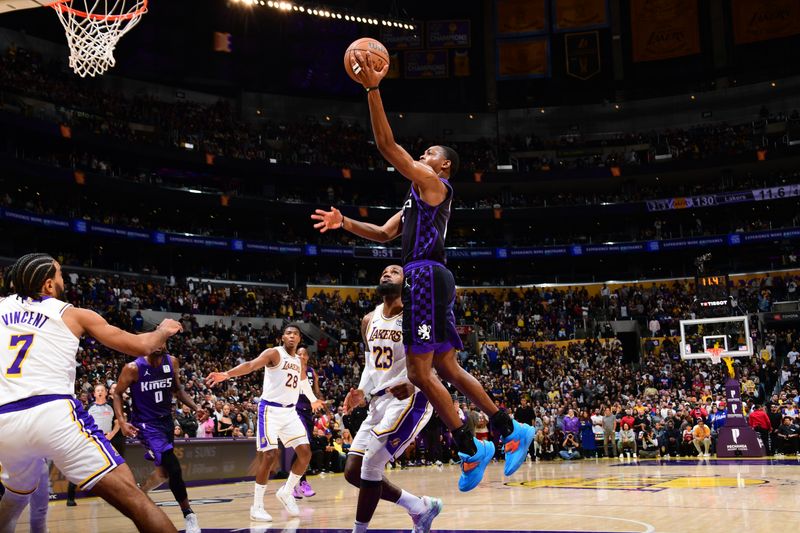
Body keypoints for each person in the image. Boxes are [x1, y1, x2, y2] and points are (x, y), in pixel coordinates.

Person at [311, 51, 534, 492]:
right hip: (431, 275)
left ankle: (472, 447)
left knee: (419, 373)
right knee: (448, 367)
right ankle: (510, 429)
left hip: (426, 275)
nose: (422, 153)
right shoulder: (414, 199)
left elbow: (387, 147)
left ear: (444, 165)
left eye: (429, 152)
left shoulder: (434, 184)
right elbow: (381, 234)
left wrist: (373, 89)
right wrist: (345, 223)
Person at [0, 253, 182, 533]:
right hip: (52, 412)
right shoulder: (72, 313)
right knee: (135, 499)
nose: (64, 280)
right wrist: (163, 330)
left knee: (14, 499)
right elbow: (139, 345)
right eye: (60, 275)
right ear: (49, 285)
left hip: (5, 422)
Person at [342, 265, 441, 533]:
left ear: (405, 283)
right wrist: (361, 391)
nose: (387, 274)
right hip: (378, 401)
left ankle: (359, 531)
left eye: (395, 272)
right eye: (384, 271)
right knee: (353, 471)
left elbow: (435, 360)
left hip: (410, 398)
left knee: (371, 465)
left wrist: (413, 382)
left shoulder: (414, 318)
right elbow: (370, 363)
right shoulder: (368, 320)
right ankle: (420, 507)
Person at [205, 324, 324, 522]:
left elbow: (303, 381)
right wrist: (226, 374)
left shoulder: (298, 360)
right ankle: (257, 506)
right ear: (282, 337)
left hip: (290, 412)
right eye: (288, 333)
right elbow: (251, 365)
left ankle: (286, 492)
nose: (292, 336)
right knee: (269, 455)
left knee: (305, 453)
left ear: (300, 339)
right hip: (270, 410)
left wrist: (312, 400)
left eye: (295, 334)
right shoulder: (274, 354)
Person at [112, 345, 201, 533]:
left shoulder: (172, 361)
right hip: (146, 425)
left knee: (163, 474)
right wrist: (121, 421)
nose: (161, 345)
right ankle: (189, 515)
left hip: (166, 421)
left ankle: (140, 494)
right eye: (157, 340)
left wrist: (195, 407)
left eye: (164, 341)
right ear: (147, 342)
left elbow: (177, 390)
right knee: (174, 468)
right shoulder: (133, 368)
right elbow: (117, 393)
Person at [67, 383, 118, 506]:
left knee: (113, 467)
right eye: (97, 391)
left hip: (107, 440)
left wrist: (111, 434)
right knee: (81, 466)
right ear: (94, 394)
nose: (100, 392)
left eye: (102, 390)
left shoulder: (112, 407)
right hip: (92, 440)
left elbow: (118, 422)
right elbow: (81, 423)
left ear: (106, 392)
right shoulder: (89, 407)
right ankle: (70, 497)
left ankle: (113, 496)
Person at [292, 346, 322, 499]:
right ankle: (302, 483)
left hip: (308, 411)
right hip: (296, 410)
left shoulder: (311, 371)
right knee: (304, 445)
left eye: (304, 354)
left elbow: (316, 392)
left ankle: (293, 486)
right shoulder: (292, 369)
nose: (302, 356)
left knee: (304, 448)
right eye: (299, 354)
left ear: (308, 357)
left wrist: (316, 382)